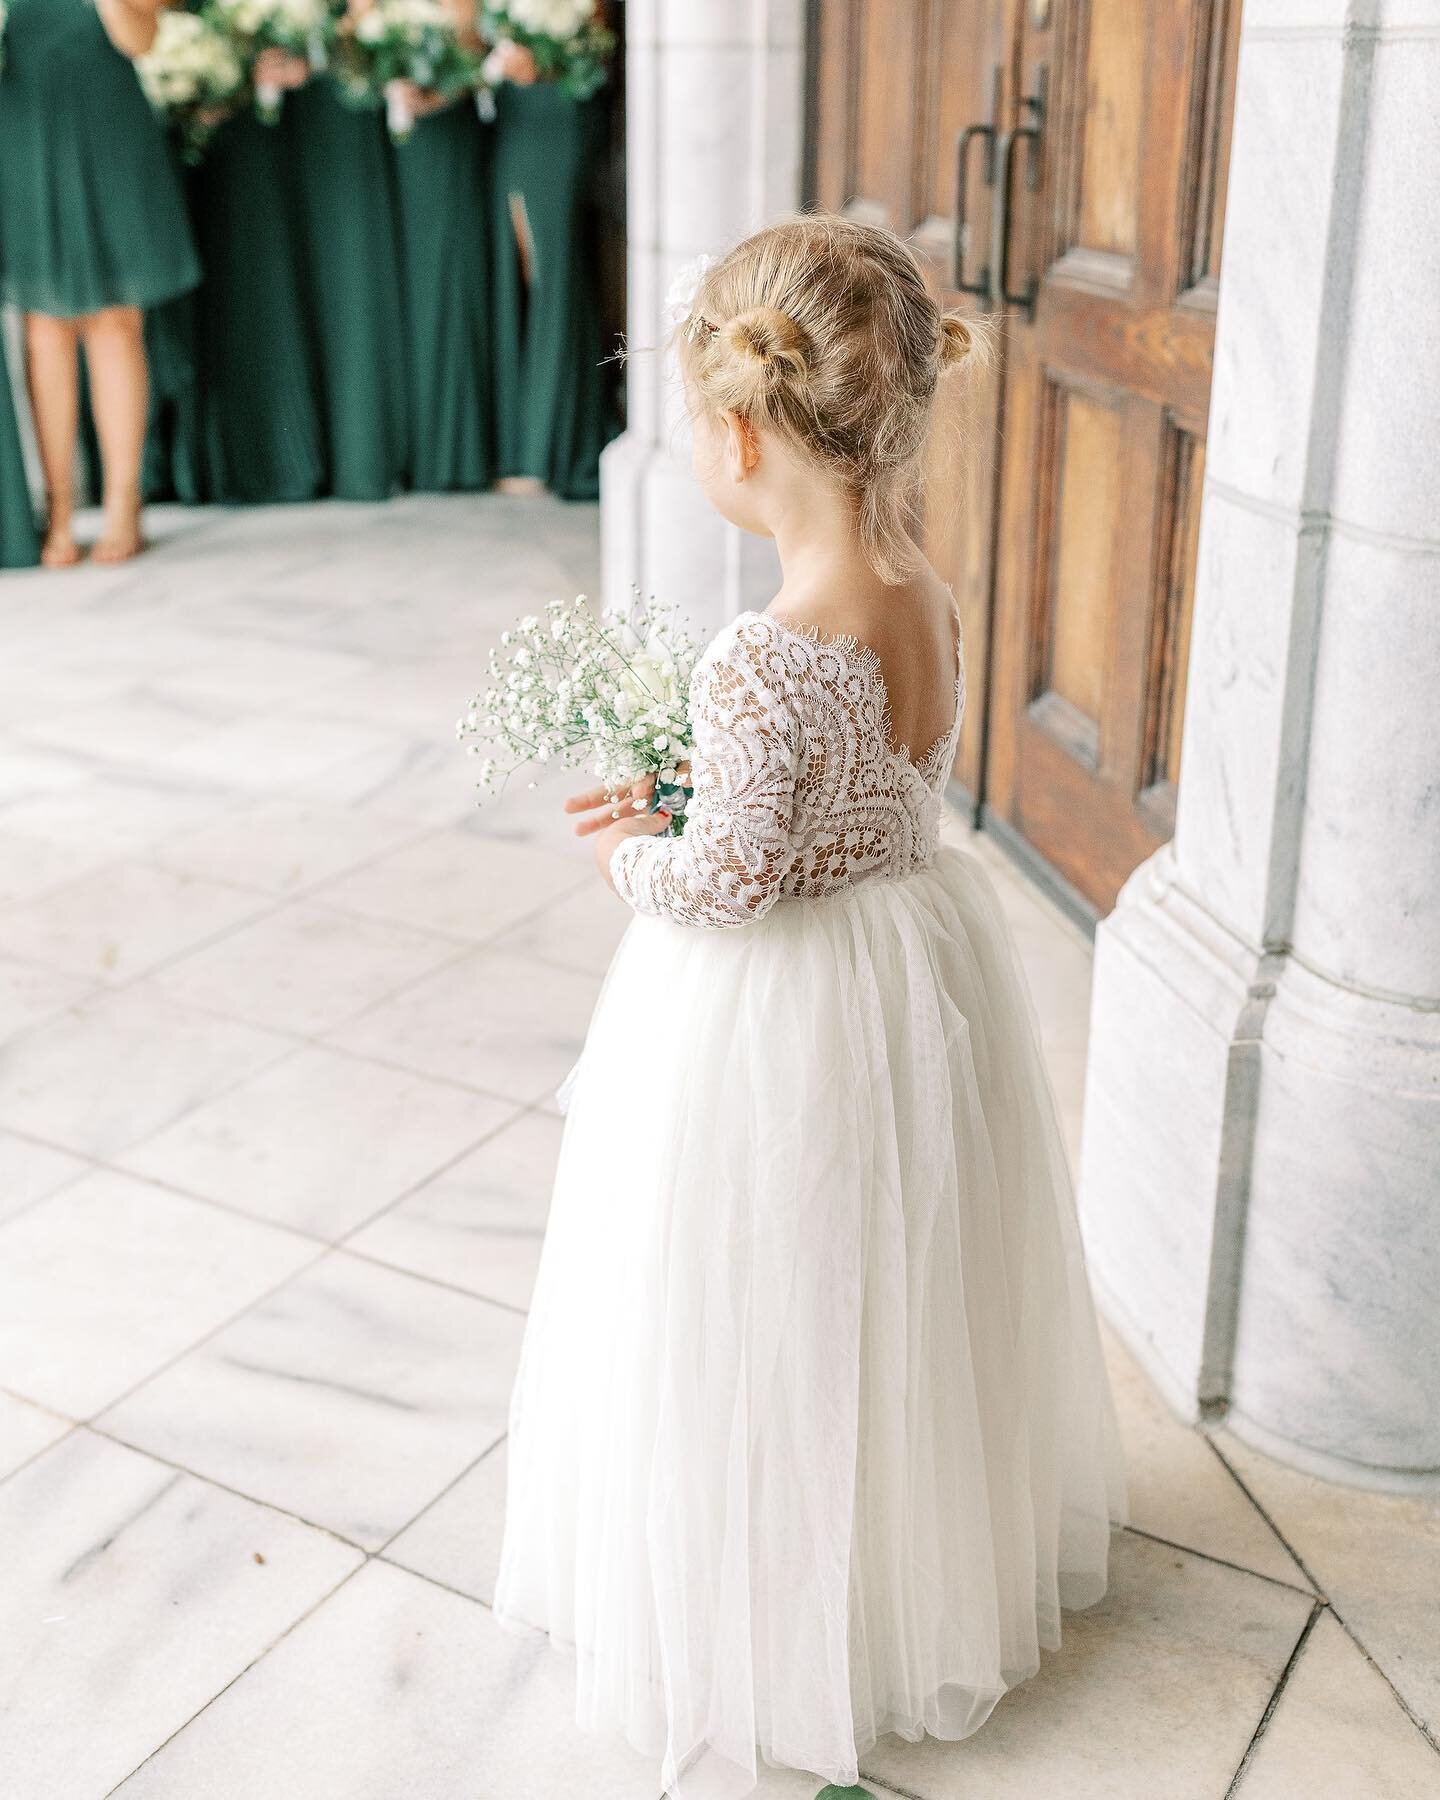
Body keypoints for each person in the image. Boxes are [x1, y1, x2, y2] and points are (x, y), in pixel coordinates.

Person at [492, 215, 1127, 1800]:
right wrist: (709, 796)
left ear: (739, 432)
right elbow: (854, 800)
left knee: (757, 1301)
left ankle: (768, 1610)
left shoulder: (759, 655)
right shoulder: (926, 596)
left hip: (778, 1015)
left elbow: (732, 884)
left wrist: (641, 850)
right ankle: (899, 1569)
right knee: (889, 1288)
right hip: (912, 964)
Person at [0, 0, 200, 564]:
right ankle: (59, 511)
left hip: (106, 121)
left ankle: (121, 504)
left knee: (115, 319)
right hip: (23, 125)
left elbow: (142, 40)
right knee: (45, 327)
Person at [488, 34, 612, 500]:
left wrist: (543, 59)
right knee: (520, 273)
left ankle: (549, 447)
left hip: (558, 115)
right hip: (514, 117)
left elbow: (592, 45)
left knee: (551, 275)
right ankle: (526, 442)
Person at [388, 6, 494, 493]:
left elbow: (473, 45)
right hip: (383, 143)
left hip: (444, 133)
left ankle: (452, 451)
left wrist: (440, 91)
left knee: (446, 284)